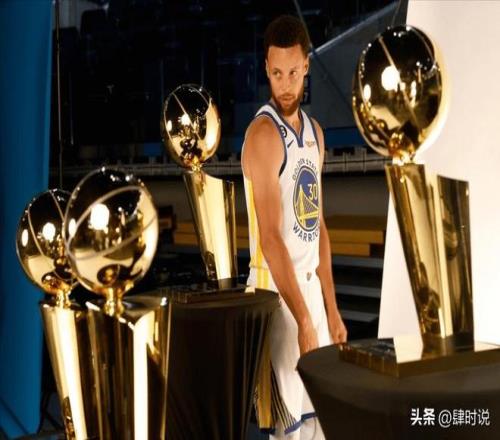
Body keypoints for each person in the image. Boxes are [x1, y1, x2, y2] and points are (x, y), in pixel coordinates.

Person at [241, 15, 348, 439]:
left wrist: (330, 310)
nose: (285, 85)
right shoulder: (263, 136)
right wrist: (303, 318)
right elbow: (270, 238)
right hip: (276, 297)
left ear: (306, 66)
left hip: (311, 297)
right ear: (266, 70)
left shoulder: (315, 135)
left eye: (292, 73)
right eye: (276, 74)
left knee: (323, 422)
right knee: (287, 431)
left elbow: (317, 226)